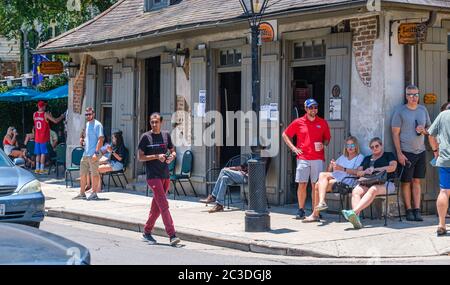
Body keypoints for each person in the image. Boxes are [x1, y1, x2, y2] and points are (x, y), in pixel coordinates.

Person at [282, 98, 331, 219]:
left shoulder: (323, 122)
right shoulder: (298, 122)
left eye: (315, 107)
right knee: (302, 184)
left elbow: (327, 139)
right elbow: (285, 134)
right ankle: (301, 210)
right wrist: (294, 148)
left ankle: (316, 211)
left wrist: (323, 144)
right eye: (310, 107)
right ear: (305, 109)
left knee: (316, 185)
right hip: (303, 157)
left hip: (318, 157)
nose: (313, 110)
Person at [138, 112, 180, 246]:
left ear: (161, 122)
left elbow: (173, 151)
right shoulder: (145, 137)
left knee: (156, 207)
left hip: (165, 175)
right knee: (163, 204)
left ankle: (147, 232)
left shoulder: (166, 135)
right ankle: (172, 235)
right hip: (153, 177)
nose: (154, 124)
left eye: (156, 122)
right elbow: (140, 157)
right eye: (152, 122)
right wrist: (157, 156)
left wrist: (171, 156)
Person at [391, 85, 431, 222]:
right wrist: (399, 153)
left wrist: (424, 130)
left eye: (415, 95)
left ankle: (417, 210)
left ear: (418, 95)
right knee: (406, 182)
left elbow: (429, 128)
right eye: (410, 95)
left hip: (421, 151)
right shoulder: (400, 111)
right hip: (406, 152)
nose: (413, 97)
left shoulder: (423, 109)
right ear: (406, 96)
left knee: (417, 181)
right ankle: (408, 210)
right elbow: (395, 134)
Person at [303, 136, 365, 222]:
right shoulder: (343, 157)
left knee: (318, 184)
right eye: (348, 145)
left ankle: (316, 213)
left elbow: (357, 172)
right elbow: (330, 171)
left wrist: (341, 168)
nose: (350, 147)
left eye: (352, 145)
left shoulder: (360, 157)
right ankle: (321, 204)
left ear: (356, 146)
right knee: (321, 178)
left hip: (347, 181)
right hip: (337, 179)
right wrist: (331, 166)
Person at [341, 138, 398, 229]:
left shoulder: (388, 155)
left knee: (373, 189)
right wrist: (365, 171)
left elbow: (392, 167)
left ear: (381, 146)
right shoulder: (367, 158)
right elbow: (358, 172)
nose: (374, 148)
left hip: (387, 183)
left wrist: (375, 169)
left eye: (377, 146)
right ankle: (356, 220)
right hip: (368, 182)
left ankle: (353, 212)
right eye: (372, 147)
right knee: (356, 191)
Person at [199, 146, 271, 213]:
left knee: (223, 171)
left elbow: (260, 169)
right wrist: (230, 168)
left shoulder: (265, 155)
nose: (253, 148)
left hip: (248, 177)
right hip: (242, 175)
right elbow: (242, 167)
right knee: (224, 178)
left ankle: (213, 196)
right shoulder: (253, 155)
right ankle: (219, 205)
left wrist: (245, 172)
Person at [73, 107, 104, 201]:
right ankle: (82, 193)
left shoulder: (98, 125)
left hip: (93, 153)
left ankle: (94, 193)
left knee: (94, 174)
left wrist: (96, 152)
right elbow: (84, 135)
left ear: (93, 114)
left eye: (89, 114)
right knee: (82, 174)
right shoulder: (87, 124)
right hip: (85, 153)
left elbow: (101, 139)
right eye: (86, 114)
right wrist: (82, 140)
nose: (88, 116)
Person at [428, 108, 450, 236]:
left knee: (444, 191)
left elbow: (431, 135)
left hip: (446, 159)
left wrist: (435, 150)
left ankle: (441, 225)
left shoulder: (442, 115)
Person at [33, 101, 64, 174]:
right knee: (43, 153)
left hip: (37, 137)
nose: (45, 107)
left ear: (38, 106)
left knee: (38, 154)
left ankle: (37, 169)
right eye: (45, 106)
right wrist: (62, 116)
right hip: (43, 137)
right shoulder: (45, 114)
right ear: (43, 106)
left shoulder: (34, 114)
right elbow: (55, 121)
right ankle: (41, 169)